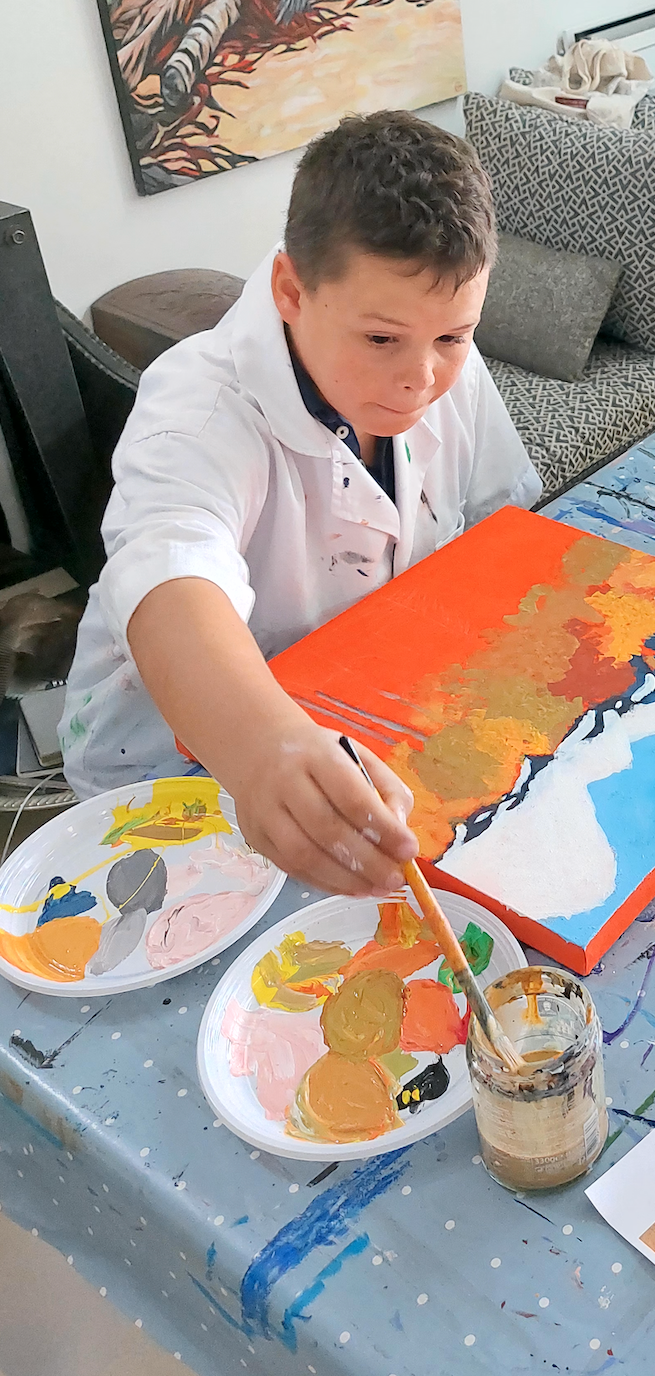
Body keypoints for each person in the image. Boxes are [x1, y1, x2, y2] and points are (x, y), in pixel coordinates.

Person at [60, 111, 541, 898]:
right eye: (381, 340)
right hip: (181, 770)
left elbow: (498, 529)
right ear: (290, 289)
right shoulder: (199, 411)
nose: (421, 378)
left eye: (454, 338)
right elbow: (170, 575)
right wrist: (261, 749)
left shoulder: (435, 350)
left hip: (365, 698)